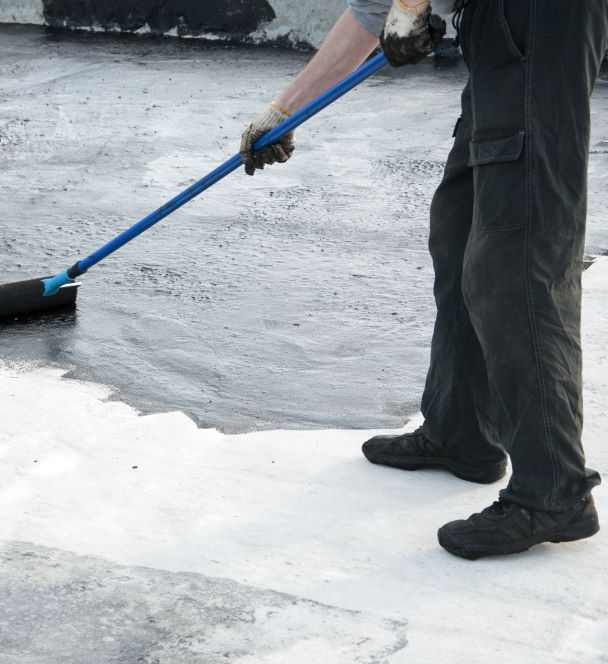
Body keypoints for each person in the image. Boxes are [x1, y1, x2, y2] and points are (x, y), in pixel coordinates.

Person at [240, 0, 608, 559]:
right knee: (460, 227)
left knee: (517, 252)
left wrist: (412, 4)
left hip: (539, 17)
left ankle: (553, 490)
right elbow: (371, 10)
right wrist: (283, 112)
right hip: (499, 27)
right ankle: (461, 431)